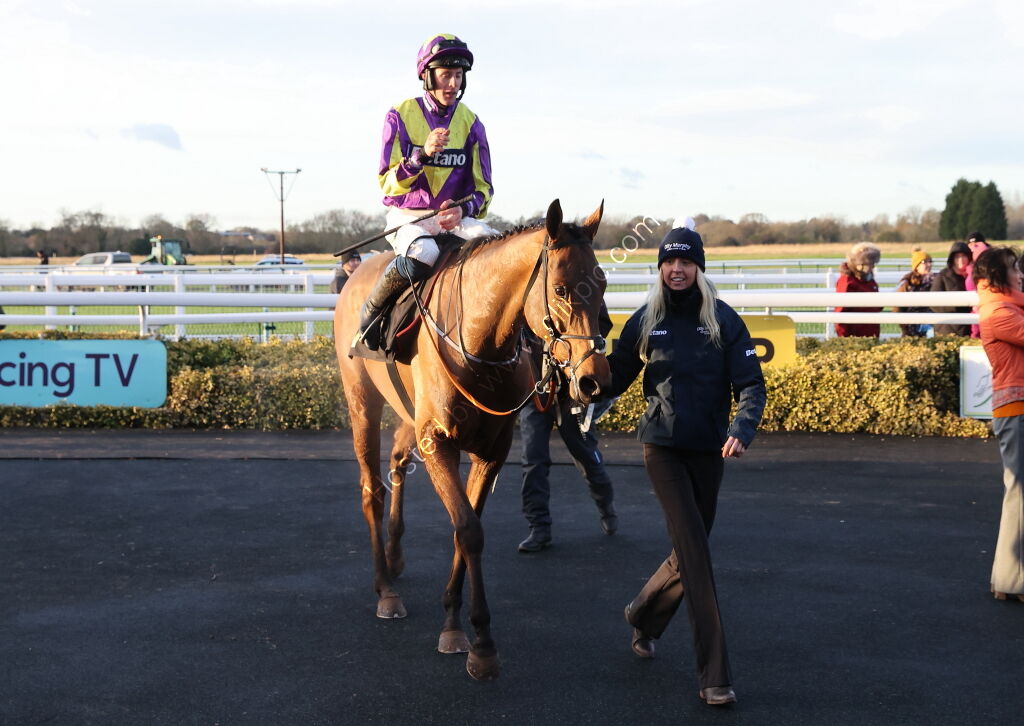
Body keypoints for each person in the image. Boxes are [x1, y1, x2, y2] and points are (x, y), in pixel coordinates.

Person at [606, 221, 766, 707]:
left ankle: (642, 614)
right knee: (696, 556)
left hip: (710, 450)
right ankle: (714, 675)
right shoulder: (645, 320)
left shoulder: (723, 319)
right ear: (660, 268)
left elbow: (751, 384)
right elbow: (613, 377)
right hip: (662, 448)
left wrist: (742, 428)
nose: (677, 269)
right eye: (669, 262)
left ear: (699, 267)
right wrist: (578, 381)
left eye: (686, 262)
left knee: (688, 550)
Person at [358, 33, 495, 350]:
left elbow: (484, 189)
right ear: (428, 76)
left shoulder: (472, 123)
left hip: (455, 220)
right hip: (409, 216)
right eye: (446, 75)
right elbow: (387, 183)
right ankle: (373, 312)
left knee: (496, 248)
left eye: (458, 75)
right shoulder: (399, 115)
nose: (453, 84)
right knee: (425, 253)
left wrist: (463, 209)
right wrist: (420, 157)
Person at [517, 309, 617, 553]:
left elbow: (601, 322)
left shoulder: (578, 290)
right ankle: (538, 527)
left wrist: (573, 346)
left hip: (571, 389)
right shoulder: (527, 292)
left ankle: (606, 505)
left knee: (585, 454)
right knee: (533, 459)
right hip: (536, 388)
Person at [974, 246, 1024, 602]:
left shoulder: (1009, 307)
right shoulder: (999, 312)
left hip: (1017, 410)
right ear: (996, 275)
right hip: (1016, 410)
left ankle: (1007, 578)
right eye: (1014, 268)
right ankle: (1013, 580)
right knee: (1019, 494)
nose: (1020, 274)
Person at [834, 242, 881, 338]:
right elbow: (841, 310)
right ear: (859, 263)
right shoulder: (848, 281)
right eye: (870, 263)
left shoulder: (869, 279)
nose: (873, 266)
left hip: (870, 329)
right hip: (855, 333)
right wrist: (844, 338)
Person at [930, 241, 972, 337]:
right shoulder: (943, 276)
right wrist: (955, 306)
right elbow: (933, 302)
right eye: (957, 257)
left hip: (970, 327)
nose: (961, 260)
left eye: (964, 256)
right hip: (947, 329)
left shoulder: (974, 276)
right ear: (952, 259)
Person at [894, 247, 935, 337]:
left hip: (931, 325)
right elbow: (898, 308)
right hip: (911, 328)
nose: (929, 264)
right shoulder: (907, 283)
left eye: (930, 261)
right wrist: (905, 327)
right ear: (917, 266)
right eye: (925, 262)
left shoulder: (935, 280)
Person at [966, 232, 991, 338]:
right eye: (971, 245)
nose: (973, 247)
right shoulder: (968, 265)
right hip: (975, 313)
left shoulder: (992, 263)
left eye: (976, 244)